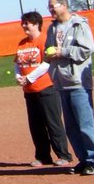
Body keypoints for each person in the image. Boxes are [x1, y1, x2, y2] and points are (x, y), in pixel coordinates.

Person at [45, 0, 94, 175]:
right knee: (71, 127)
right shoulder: (52, 28)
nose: (50, 9)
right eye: (49, 7)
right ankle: (83, 159)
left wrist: (62, 51)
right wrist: (49, 54)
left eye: (52, 6)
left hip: (78, 82)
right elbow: (47, 51)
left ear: (64, 5)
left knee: (85, 124)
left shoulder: (79, 24)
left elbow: (87, 49)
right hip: (61, 83)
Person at [13, 10, 72, 168]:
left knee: (52, 123)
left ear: (37, 24)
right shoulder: (22, 43)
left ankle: (63, 155)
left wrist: (29, 78)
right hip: (29, 91)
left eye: (27, 23)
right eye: (23, 23)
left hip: (46, 88)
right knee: (36, 125)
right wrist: (18, 76)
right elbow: (17, 63)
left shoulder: (45, 39)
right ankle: (42, 156)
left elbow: (47, 63)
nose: (24, 26)